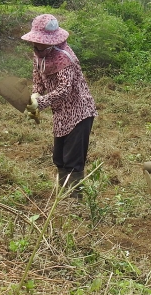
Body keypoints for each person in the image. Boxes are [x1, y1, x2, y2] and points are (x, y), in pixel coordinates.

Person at [22, 14, 97, 197]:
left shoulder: (65, 58)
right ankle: (63, 196)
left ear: (51, 42)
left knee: (72, 160)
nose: (37, 45)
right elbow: (38, 80)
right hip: (61, 113)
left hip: (79, 112)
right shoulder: (39, 55)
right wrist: (34, 95)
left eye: (41, 42)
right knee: (59, 158)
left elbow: (65, 89)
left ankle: (74, 200)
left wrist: (40, 103)